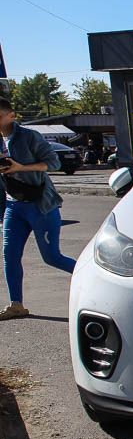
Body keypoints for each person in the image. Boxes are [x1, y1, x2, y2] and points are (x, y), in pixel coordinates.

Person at [0, 98, 76, 320]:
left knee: (52, 257)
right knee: (10, 255)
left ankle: (93, 277)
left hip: (40, 204)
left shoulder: (29, 136)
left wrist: (21, 167)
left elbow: (54, 163)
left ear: (12, 115)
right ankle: (16, 305)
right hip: (13, 205)